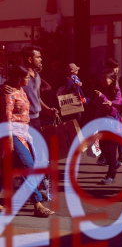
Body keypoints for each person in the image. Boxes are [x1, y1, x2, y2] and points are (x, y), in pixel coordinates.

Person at [0, 66, 54, 217]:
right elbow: (7, 118)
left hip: (24, 134)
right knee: (28, 165)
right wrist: (10, 139)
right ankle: (37, 204)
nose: (28, 80)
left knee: (7, 167)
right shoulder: (9, 93)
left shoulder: (21, 90)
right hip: (13, 134)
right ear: (19, 79)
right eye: (26, 78)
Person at [93, 69, 122, 184]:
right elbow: (97, 106)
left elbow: (113, 110)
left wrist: (102, 97)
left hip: (112, 126)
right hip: (102, 124)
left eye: (104, 78)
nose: (102, 81)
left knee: (111, 150)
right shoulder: (102, 89)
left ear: (112, 79)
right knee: (103, 149)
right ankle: (114, 165)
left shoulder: (117, 91)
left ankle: (111, 175)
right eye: (101, 78)